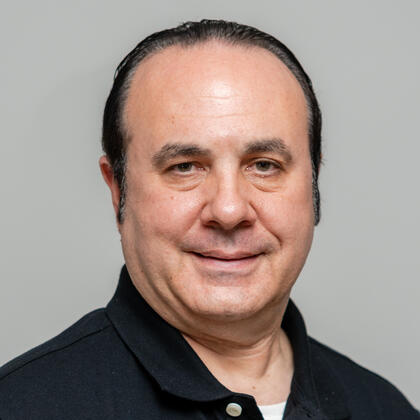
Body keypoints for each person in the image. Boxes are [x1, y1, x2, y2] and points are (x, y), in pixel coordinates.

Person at [0, 20, 418, 420]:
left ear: (313, 183)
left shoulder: (386, 410)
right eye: (185, 167)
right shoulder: (22, 407)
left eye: (264, 165)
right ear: (118, 191)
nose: (229, 211)